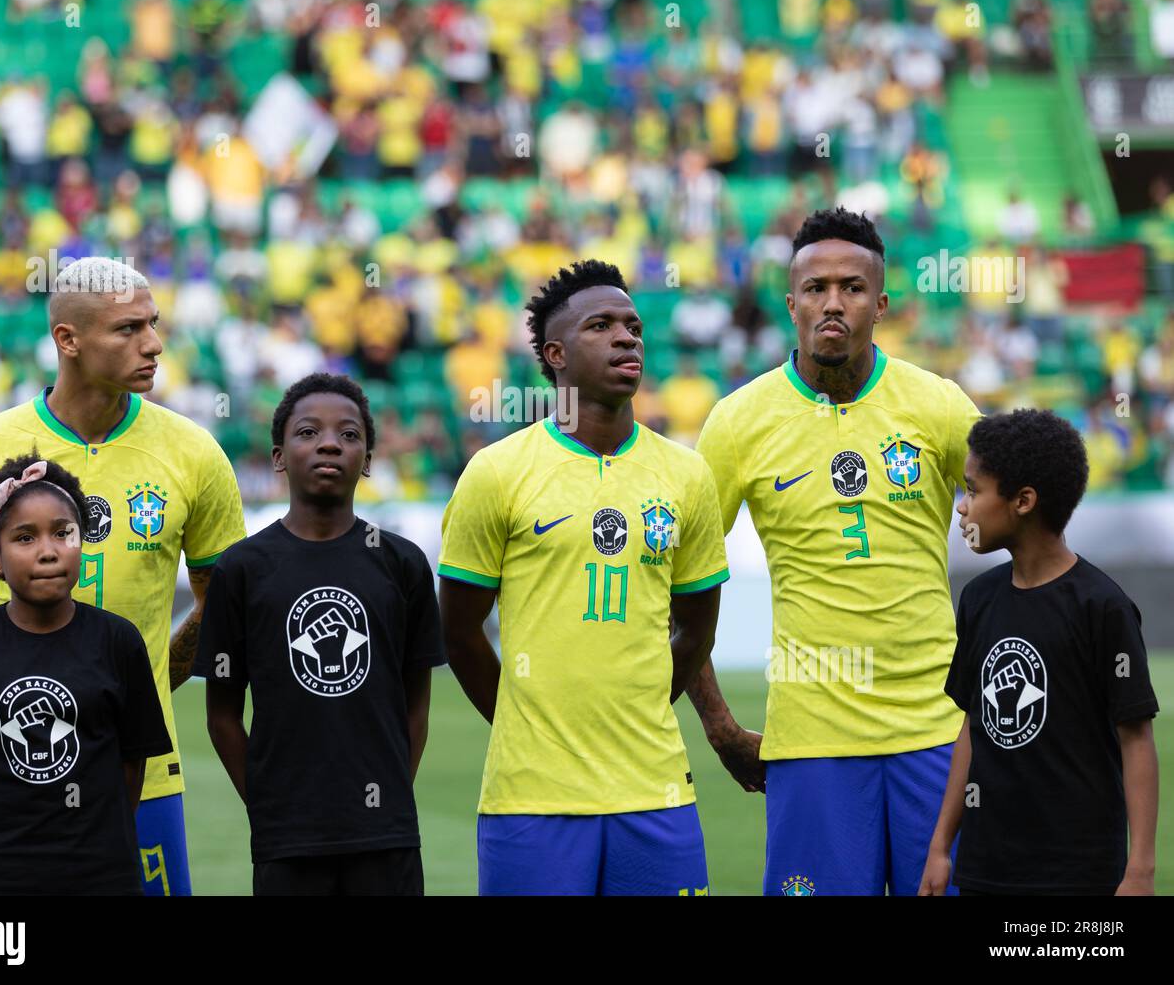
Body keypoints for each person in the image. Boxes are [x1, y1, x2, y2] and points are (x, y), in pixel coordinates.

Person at [0, 257, 246, 896]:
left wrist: (125, 693)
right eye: (128, 329)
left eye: (153, 324)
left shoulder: (194, 453)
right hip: (4, 762)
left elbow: (224, 606)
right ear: (67, 340)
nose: (153, 343)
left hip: (142, 772)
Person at [693, 207, 983, 895]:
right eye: (816, 287)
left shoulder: (937, 406)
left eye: (852, 287)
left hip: (939, 733)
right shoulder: (739, 423)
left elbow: (1024, 521)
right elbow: (677, 582)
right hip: (812, 740)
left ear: (880, 304)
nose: (833, 302)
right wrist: (719, 725)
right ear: (790, 302)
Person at [439, 259, 729, 896]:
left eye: (633, 326)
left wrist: (643, 709)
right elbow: (458, 633)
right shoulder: (497, 473)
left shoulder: (685, 476)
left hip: (656, 790)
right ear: (556, 354)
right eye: (601, 326)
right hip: (531, 797)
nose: (628, 338)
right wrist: (524, 722)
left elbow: (698, 628)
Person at [197, 374, 444, 896]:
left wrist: (390, 795)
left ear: (369, 460)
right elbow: (221, 715)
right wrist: (266, 803)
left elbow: (415, 705)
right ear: (279, 456)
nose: (330, 443)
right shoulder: (242, 568)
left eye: (349, 435)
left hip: (387, 835)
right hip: (286, 839)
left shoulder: (402, 563)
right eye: (309, 432)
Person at [0, 455, 172, 895]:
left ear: (81, 542)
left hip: (103, 877)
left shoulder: (118, 642)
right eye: (25, 538)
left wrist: (102, 840)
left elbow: (132, 761)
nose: (48, 550)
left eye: (63, 533)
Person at [920, 410, 1159, 896]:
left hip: (1080, 872)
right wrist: (941, 846)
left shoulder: (1102, 607)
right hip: (987, 866)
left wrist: (1140, 871)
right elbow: (974, 725)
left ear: (1023, 501)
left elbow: (1136, 740)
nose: (962, 508)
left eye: (973, 489)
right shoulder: (978, 599)